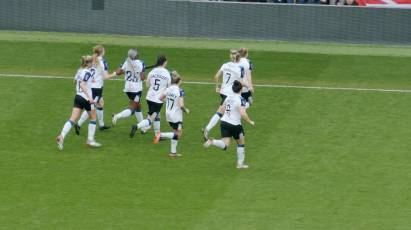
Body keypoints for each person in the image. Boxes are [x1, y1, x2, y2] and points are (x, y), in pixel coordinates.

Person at [203, 80, 254, 169]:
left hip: (224, 123)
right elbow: (242, 113)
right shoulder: (241, 99)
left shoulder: (228, 97)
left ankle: (212, 141)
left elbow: (222, 110)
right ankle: (240, 164)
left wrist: (248, 104)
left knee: (225, 144)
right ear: (241, 89)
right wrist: (250, 121)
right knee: (241, 143)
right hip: (235, 125)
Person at [56, 55, 102, 150]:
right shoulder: (87, 72)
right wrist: (89, 97)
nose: (93, 63)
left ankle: (62, 136)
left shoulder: (79, 71)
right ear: (88, 63)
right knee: (93, 118)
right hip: (86, 99)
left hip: (78, 97)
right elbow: (82, 84)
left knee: (72, 119)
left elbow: (75, 82)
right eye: (92, 62)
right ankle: (90, 140)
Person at [202, 49, 247, 140]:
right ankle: (207, 129)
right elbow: (241, 82)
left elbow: (216, 77)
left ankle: (229, 129)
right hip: (230, 94)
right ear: (238, 58)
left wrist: (216, 87)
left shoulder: (225, 65)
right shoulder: (240, 68)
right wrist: (248, 86)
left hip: (223, 92)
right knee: (220, 112)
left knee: (226, 111)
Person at [130, 55, 171, 138]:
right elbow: (169, 87)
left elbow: (147, 85)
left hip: (149, 98)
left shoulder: (152, 72)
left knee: (156, 115)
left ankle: (157, 135)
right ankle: (137, 126)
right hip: (158, 100)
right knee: (151, 119)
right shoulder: (167, 73)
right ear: (164, 62)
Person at [76, 45, 114, 134]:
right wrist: (115, 73)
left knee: (100, 104)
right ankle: (78, 124)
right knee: (91, 107)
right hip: (96, 88)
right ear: (102, 52)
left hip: (91, 86)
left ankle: (101, 125)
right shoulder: (103, 62)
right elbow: (106, 77)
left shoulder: (91, 59)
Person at [154, 71, 189, 157]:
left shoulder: (168, 89)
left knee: (174, 132)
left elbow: (160, 98)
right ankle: (160, 134)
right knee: (178, 134)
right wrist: (186, 110)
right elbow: (181, 105)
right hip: (176, 116)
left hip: (168, 114)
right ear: (178, 81)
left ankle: (173, 152)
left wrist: (168, 102)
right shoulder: (180, 91)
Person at [111, 48, 146, 126]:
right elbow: (143, 78)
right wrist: (141, 71)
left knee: (138, 106)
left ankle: (142, 126)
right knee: (133, 108)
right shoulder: (141, 63)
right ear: (136, 55)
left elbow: (118, 72)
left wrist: (125, 70)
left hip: (127, 88)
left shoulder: (126, 61)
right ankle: (117, 116)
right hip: (136, 90)